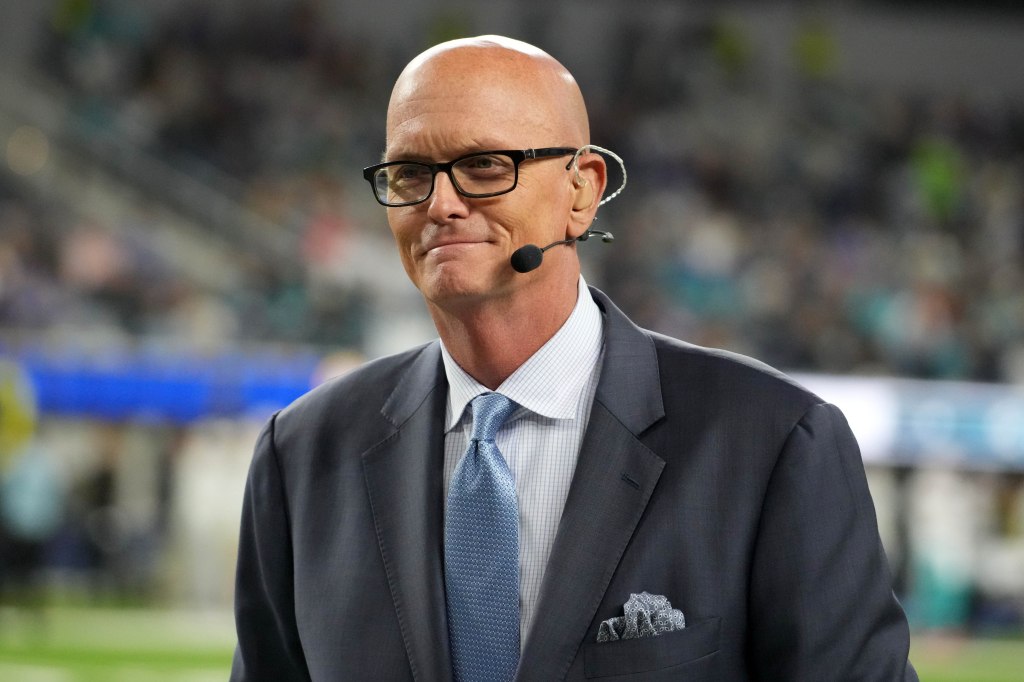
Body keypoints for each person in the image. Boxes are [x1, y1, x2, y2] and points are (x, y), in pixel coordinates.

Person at [231, 35, 917, 681]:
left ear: (582, 191)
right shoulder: (300, 457)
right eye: (409, 173)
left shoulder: (771, 443)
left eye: (484, 166)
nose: (440, 203)